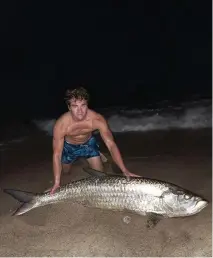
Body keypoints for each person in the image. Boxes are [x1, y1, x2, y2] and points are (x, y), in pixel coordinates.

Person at [50, 86, 140, 194]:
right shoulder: (61, 125)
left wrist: (124, 170)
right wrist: (56, 182)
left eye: (83, 105)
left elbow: (111, 144)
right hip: (69, 147)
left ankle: (96, 154)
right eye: (75, 106)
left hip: (88, 144)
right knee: (65, 172)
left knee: (99, 176)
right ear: (69, 107)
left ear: (87, 104)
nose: (80, 111)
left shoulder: (96, 119)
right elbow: (57, 154)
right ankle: (83, 158)